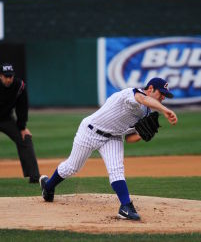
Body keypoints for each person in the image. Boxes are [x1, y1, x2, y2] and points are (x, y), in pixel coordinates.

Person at [39, 77, 178, 220]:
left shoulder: (147, 113)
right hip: (90, 131)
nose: (163, 97)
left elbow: (130, 139)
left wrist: (143, 135)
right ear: (150, 89)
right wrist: (165, 110)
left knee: (117, 170)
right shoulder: (131, 94)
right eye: (161, 93)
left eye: (165, 96)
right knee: (72, 167)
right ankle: (48, 186)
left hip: (113, 137)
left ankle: (125, 207)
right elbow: (142, 99)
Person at [0, 62, 40, 183]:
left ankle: (33, 176)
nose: (9, 79)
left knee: (25, 138)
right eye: (6, 76)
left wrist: (22, 127)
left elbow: (22, 106)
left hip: (6, 119)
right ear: (0, 76)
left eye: (10, 76)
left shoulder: (19, 85)